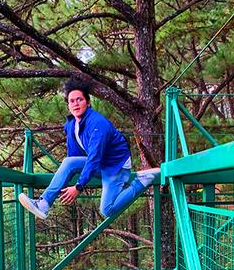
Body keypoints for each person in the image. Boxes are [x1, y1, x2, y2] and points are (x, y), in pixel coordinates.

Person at [18, 80, 160, 220]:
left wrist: (79, 186)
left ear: (88, 102)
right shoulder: (71, 124)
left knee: (107, 210)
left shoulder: (98, 124)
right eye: (72, 101)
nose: (76, 103)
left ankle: (142, 181)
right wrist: (72, 180)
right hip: (101, 163)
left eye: (79, 99)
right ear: (68, 105)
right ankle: (44, 203)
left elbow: (94, 157)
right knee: (68, 162)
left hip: (116, 166)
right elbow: (74, 157)